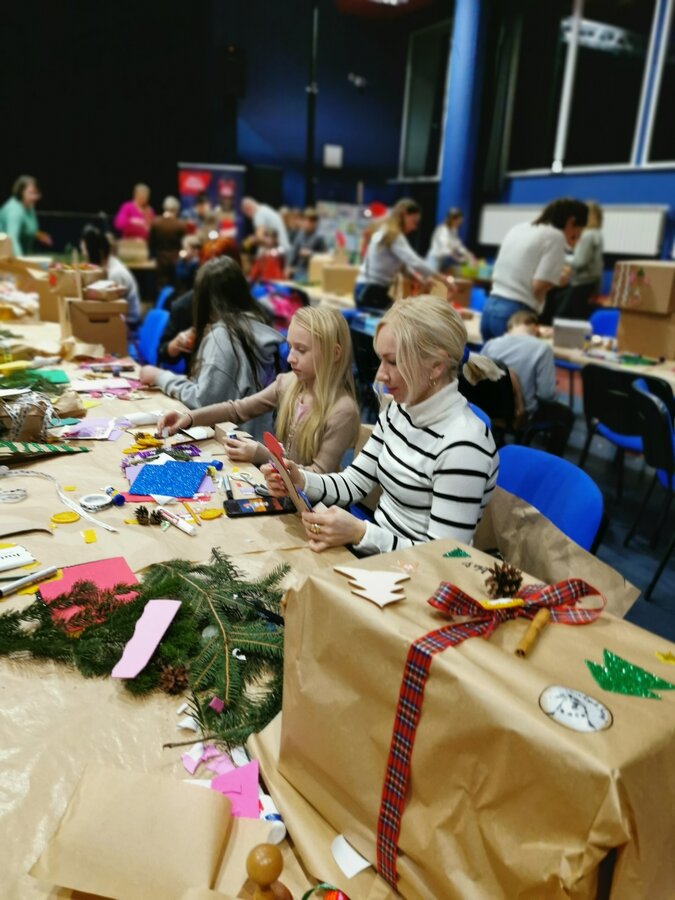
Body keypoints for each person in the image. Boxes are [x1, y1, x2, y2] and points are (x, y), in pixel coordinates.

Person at [263, 295, 502, 555]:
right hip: (383, 559)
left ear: (436, 367)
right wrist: (300, 480)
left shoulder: (464, 446)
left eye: (393, 362)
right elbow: (353, 483)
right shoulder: (400, 410)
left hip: (415, 572)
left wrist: (361, 533)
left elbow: (444, 555)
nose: (380, 375)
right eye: (381, 361)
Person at [157, 307, 360, 473]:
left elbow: (319, 476)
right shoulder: (288, 383)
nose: (290, 358)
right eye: (290, 347)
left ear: (334, 354)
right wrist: (189, 418)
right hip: (283, 486)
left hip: (313, 505)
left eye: (302, 350)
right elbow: (237, 409)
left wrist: (264, 455)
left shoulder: (343, 411)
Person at [139, 257, 282, 434]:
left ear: (204, 299)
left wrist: (159, 377)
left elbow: (202, 402)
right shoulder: (260, 323)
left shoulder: (223, 336)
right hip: (259, 437)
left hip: (236, 440)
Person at [481, 198, 588, 341]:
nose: (577, 238)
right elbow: (538, 286)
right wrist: (557, 280)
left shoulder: (520, 228)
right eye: (578, 231)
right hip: (515, 313)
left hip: (490, 307)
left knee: (490, 356)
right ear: (571, 222)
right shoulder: (555, 236)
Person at [482, 310, 574, 456]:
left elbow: (476, 379)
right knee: (567, 415)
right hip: (521, 413)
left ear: (510, 327)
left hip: (488, 410)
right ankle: (552, 459)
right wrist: (554, 389)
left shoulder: (491, 344)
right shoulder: (542, 349)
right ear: (536, 328)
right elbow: (546, 395)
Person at [353, 199, 454, 311]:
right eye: (414, 221)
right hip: (370, 291)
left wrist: (421, 280)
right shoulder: (394, 235)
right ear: (405, 214)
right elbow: (414, 261)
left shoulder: (387, 231)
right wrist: (442, 278)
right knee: (398, 317)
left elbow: (403, 267)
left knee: (397, 314)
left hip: (368, 289)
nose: (414, 227)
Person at [157, 240, 242, 369]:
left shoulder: (249, 308)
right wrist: (177, 343)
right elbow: (163, 353)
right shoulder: (185, 305)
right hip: (197, 377)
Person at [80, 225, 141, 327]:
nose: (85, 258)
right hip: (121, 320)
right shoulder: (108, 267)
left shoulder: (116, 274)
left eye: (87, 253)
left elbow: (111, 312)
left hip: (129, 326)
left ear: (99, 252)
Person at [557, 201, 605, 322]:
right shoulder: (597, 234)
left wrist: (562, 257)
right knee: (580, 315)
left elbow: (579, 262)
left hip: (581, 283)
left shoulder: (587, 236)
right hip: (592, 282)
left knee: (562, 315)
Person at [0, 175, 52, 256]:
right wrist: (20, 260)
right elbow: (12, 239)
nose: (36, 197)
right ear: (21, 192)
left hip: (22, 254)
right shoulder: (14, 211)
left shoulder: (28, 205)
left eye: (37, 193)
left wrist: (38, 235)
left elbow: (28, 228)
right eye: (32, 193)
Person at [148, 196, 188, 288]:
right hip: (175, 260)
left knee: (161, 285)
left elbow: (151, 241)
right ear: (176, 209)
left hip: (160, 259)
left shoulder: (156, 223)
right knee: (176, 286)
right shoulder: (180, 224)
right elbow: (184, 243)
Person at [426, 207, 476, 272]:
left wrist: (468, 254)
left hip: (442, 260)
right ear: (452, 220)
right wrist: (459, 259)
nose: (459, 224)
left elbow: (458, 245)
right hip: (433, 260)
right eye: (458, 222)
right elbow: (446, 249)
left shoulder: (453, 229)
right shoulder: (443, 230)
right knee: (431, 277)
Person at [286, 208, 327, 280]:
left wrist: (311, 253)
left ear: (315, 223)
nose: (307, 223)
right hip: (299, 270)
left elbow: (325, 256)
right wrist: (288, 266)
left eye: (310, 221)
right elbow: (294, 251)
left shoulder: (319, 237)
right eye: (305, 220)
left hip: (312, 271)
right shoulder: (300, 234)